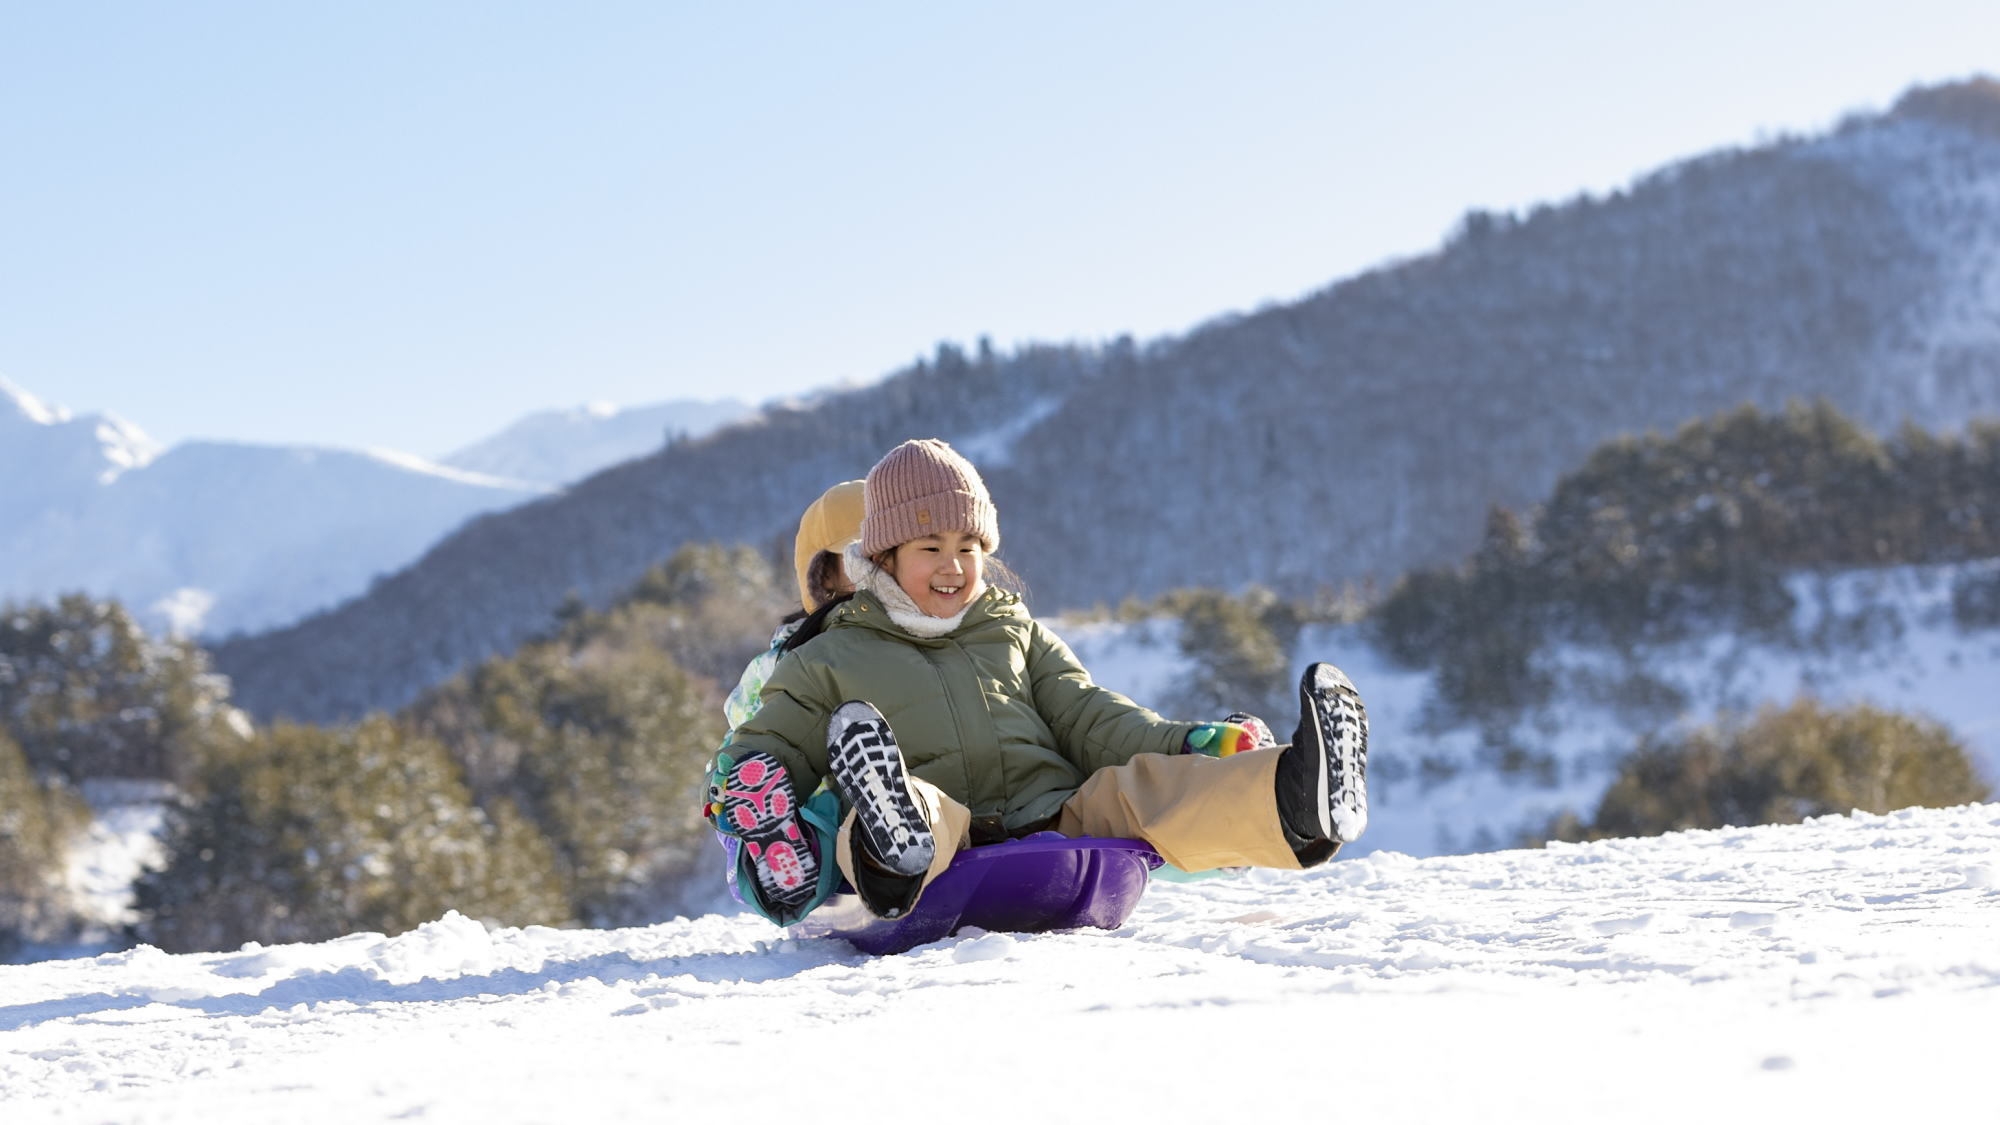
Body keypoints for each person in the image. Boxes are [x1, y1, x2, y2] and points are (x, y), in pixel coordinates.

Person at [707, 439, 1368, 924]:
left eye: (968, 547)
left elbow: (1091, 715)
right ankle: (890, 847)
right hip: (942, 844)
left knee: (1135, 790)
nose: (952, 566)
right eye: (929, 547)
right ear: (882, 557)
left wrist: (1186, 743)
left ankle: (1293, 799)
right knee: (903, 805)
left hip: (1052, 815)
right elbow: (772, 741)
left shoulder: (1012, 629)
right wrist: (750, 780)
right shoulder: (832, 654)